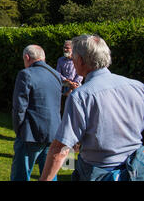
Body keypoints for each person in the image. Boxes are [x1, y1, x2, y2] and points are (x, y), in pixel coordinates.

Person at [40, 35, 144, 181]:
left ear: (81, 61)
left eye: (74, 57)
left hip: (100, 172)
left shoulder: (81, 96)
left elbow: (61, 149)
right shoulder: (137, 86)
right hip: (137, 168)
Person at [10, 45, 62, 181]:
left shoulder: (26, 74)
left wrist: (18, 129)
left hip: (30, 133)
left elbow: (19, 107)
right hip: (54, 132)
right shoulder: (56, 75)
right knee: (49, 175)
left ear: (27, 57)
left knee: (21, 174)